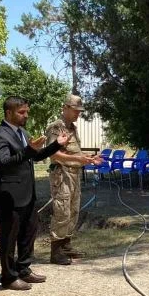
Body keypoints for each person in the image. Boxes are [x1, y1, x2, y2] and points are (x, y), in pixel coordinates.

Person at [0, 96, 68, 290]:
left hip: (27, 193)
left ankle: (23, 269)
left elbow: (35, 155)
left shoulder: (22, 132)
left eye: (27, 111)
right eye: (21, 112)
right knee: (9, 238)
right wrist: (28, 150)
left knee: (29, 233)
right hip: (8, 195)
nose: (26, 115)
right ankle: (8, 277)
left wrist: (56, 144)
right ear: (9, 113)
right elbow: (4, 162)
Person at [45, 95, 100, 265]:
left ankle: (66, 245)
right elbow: (53, 154)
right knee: (62, 211)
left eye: (79, 111)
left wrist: (88, 158)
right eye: (75, 110)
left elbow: (74, 152)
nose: (78, 114)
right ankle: (56, 252)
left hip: (74, 175)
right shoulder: (55, 127)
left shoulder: (73, 128)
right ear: (66, 108)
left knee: (73, 210)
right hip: (61, 176)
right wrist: (79, 160)